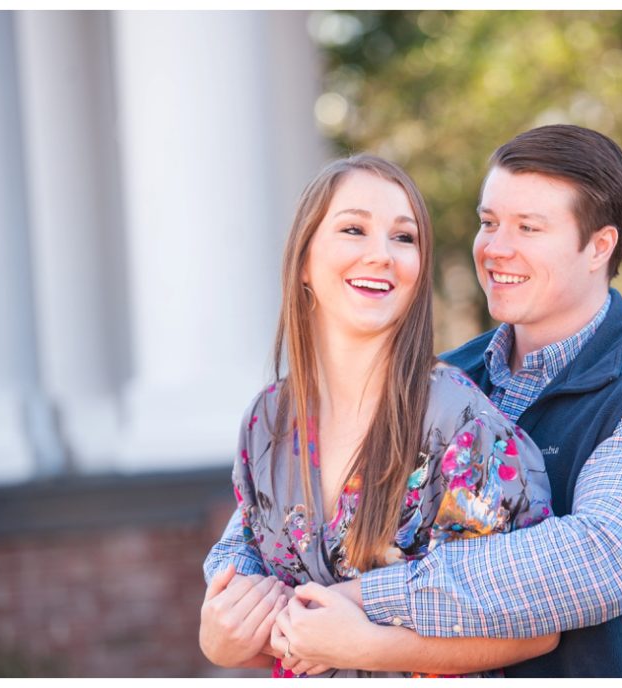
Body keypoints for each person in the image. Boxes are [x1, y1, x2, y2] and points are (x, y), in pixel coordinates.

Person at [205, 125, 622, 677]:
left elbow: (598, 564)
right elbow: (269, 521)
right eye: (489, 223)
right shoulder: (433, 380)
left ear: (599, 246)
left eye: (528, 228)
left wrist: (362, 601)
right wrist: (227, 606)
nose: (495, 248)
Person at [198, 154, 557, 678]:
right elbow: (261, 612)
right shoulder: (267, 422)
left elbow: (534, 628)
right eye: (353, 229)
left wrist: (365, 645)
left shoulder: (460, 423)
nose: (382, 255)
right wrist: (222, 641)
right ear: (303, 260)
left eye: (404, 238)